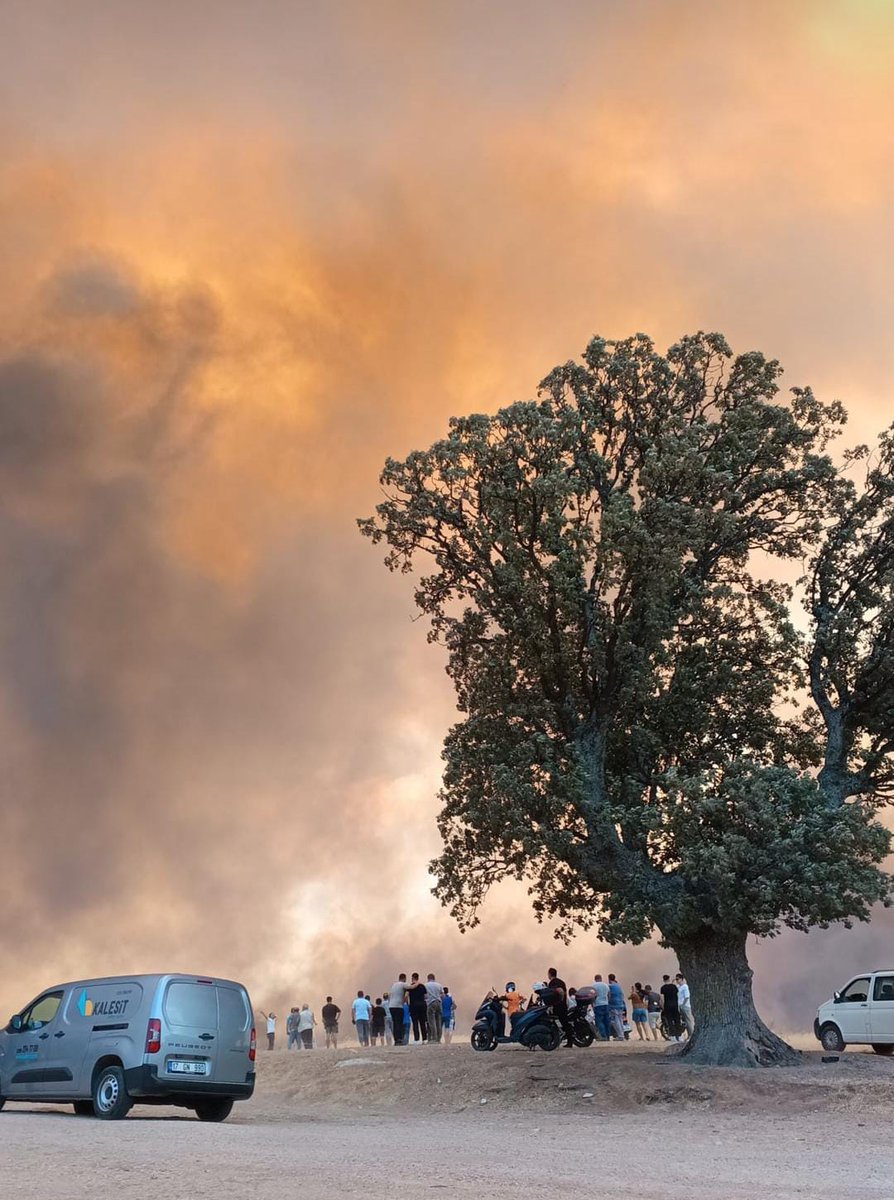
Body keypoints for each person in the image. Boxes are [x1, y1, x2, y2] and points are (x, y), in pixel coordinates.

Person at [546, 967, 574, 1048]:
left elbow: (552, 995)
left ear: (550, 974)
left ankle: (558, 1040)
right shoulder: (562, 982)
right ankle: (569, 1041)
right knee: (565, 1023)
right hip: (563, 1006)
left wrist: (551, 1005)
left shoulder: (552, 983)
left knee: (553, 1022)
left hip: (557, 1006)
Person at [660, 974, 683, 1042]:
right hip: (675, 1005)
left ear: (663, 980)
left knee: (669, 1021)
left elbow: (661, 998)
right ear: (669, 979)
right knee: (677, 1020)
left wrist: (663, 1006)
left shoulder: (663, 988)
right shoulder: (674, 986)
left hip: (667, 1006)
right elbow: (677, 995)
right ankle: (679, 1036)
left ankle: (673, 1036)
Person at [408, 973, 429, 1043]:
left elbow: (406, 996)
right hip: (422, 1006)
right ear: (418, 977)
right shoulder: (422, 986)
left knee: (415, 1023)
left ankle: (416, 1039)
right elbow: (426, 996)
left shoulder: (410, 986)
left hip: (413, 1006)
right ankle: (424, 1039)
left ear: (412, 978)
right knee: (422, 1022)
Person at [388, 975, 407, 1047]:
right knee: (399, 1023)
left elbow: (390, 996)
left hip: (391, 1007)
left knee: (395, 1023)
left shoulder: (394, 985)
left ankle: (396, 1040)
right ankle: (399, 1039)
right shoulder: (402, 984)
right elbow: (410, 988)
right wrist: (417, 983)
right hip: (398, 1007)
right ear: (404, 978)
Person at [425, 973, 444, 1043]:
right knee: (439, 1021)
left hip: (431, 1003)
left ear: (428, 978)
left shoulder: (426, 985)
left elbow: (425, 995)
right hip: (439, 1002)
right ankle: (439, 1039)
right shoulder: (439, 985)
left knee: (432, 1021)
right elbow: (442, 995)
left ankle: (434, 1038)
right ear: (434, 978)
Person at [592, 974, 611, 1041]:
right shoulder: (605, 985)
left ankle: (603, 1036)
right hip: (606, 1004)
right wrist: (607, 1001)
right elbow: (609, 995)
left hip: (598, 1005)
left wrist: (592, 1004)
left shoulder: (593, 986)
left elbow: (592, 996)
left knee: (599, 1021)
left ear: (595, 979)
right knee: (607, 1021)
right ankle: (608, 1036)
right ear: (601, 978)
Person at [608, 974, 626, 1040]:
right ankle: (622, 1035)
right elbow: (622, 995)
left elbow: (609, 996)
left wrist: (608, 1002)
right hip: (620, 1005)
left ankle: (620, 1036)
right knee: (620, 1020)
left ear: (609, 979)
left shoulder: (610, 986)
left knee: (615, 1021)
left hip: (613, 1005)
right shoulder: (619, 986)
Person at [676, 973, 694, 1038]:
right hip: (679, 1006)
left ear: (681, 979)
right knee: (684, 1022)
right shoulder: (678, 987)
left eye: (678, 979)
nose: (677, 981)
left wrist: (683, 1004)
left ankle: (691, 1035)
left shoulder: (685, 986)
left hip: (685, 1006)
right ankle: (688, 1035)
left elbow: (687, 997)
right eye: (676, 979)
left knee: (688, 1021)